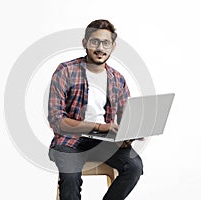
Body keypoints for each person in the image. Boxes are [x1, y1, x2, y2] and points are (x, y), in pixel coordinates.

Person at [48, 19, 143, 200]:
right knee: (70, 175)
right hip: (68, 142)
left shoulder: (117, 79)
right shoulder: (65, 71)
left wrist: (130, 134)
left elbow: (125, 120)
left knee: (134, 166)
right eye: (95, 42)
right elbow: (56, 120)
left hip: (103, 143)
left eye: (106, 43)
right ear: (85, 43)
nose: (100, 48)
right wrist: (101, 127)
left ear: (113, 46)